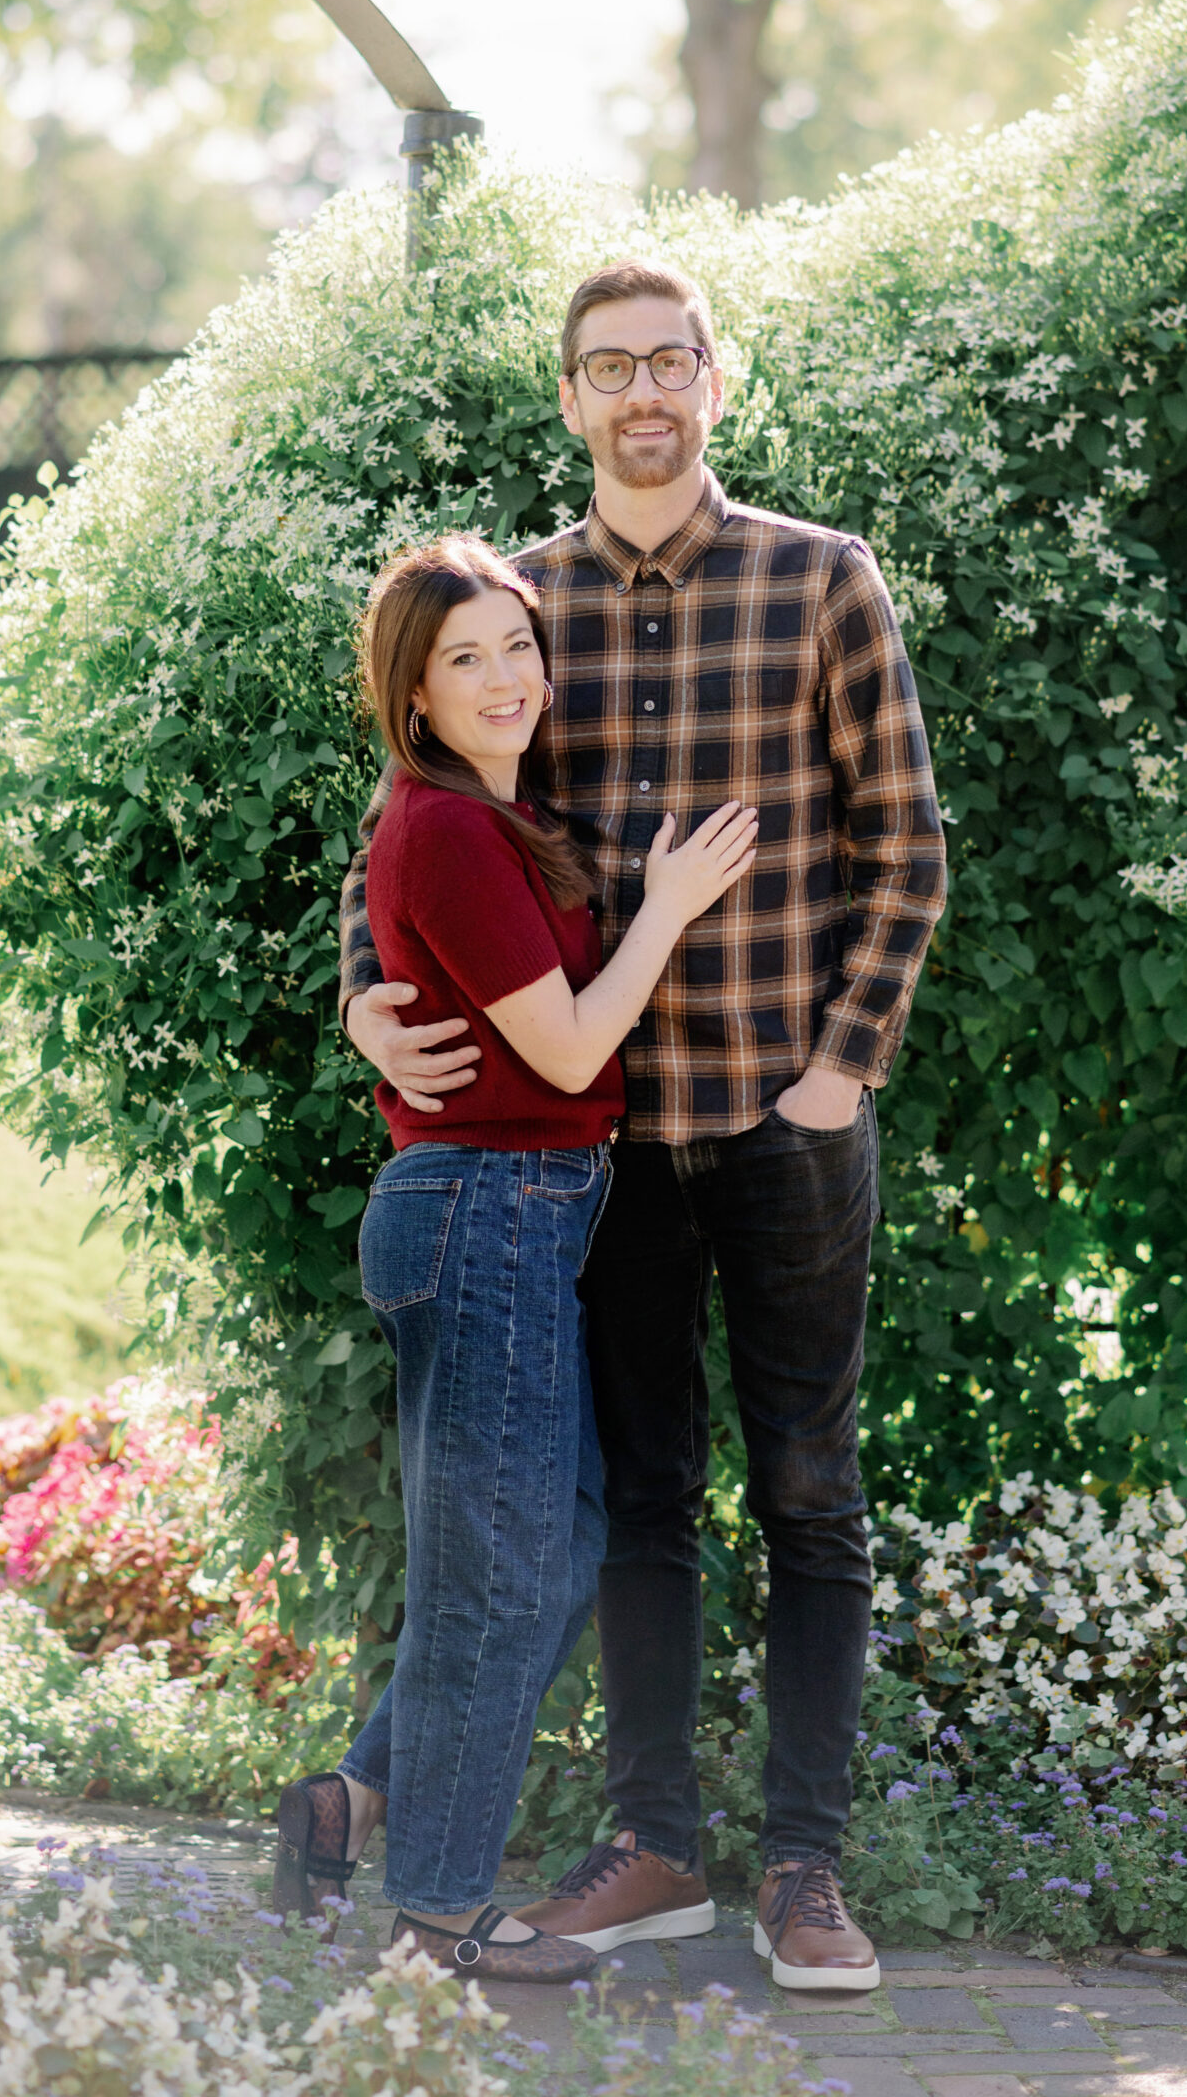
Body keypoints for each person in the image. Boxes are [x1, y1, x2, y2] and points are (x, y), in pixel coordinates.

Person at [339, 263, 946, 1992]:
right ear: (572, 399)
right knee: (648, 1505)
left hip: (787, 1123)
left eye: (670, 361)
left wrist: (840, 1069)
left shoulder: (823, 578)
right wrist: (363, 999)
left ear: (716, 379)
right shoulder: (511, 609)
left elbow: (906, 851)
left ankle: (808, 1871)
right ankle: (658, 1846)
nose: (643, 395)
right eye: (609, 369)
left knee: (810, 1492)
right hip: (595, 1160)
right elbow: (411, 830)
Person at [277, 532, 759, 1984]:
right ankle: (437, 1912)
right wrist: (668, 912)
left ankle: (359, 1799)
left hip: (515, 1210)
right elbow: (558, 1043)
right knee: (507, 1572)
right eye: (466, 658)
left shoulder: (491, 816)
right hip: (492, 1205)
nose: (507, 678)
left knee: (553, 1554)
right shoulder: (443, 826)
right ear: (414, 695)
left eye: (519, 648)